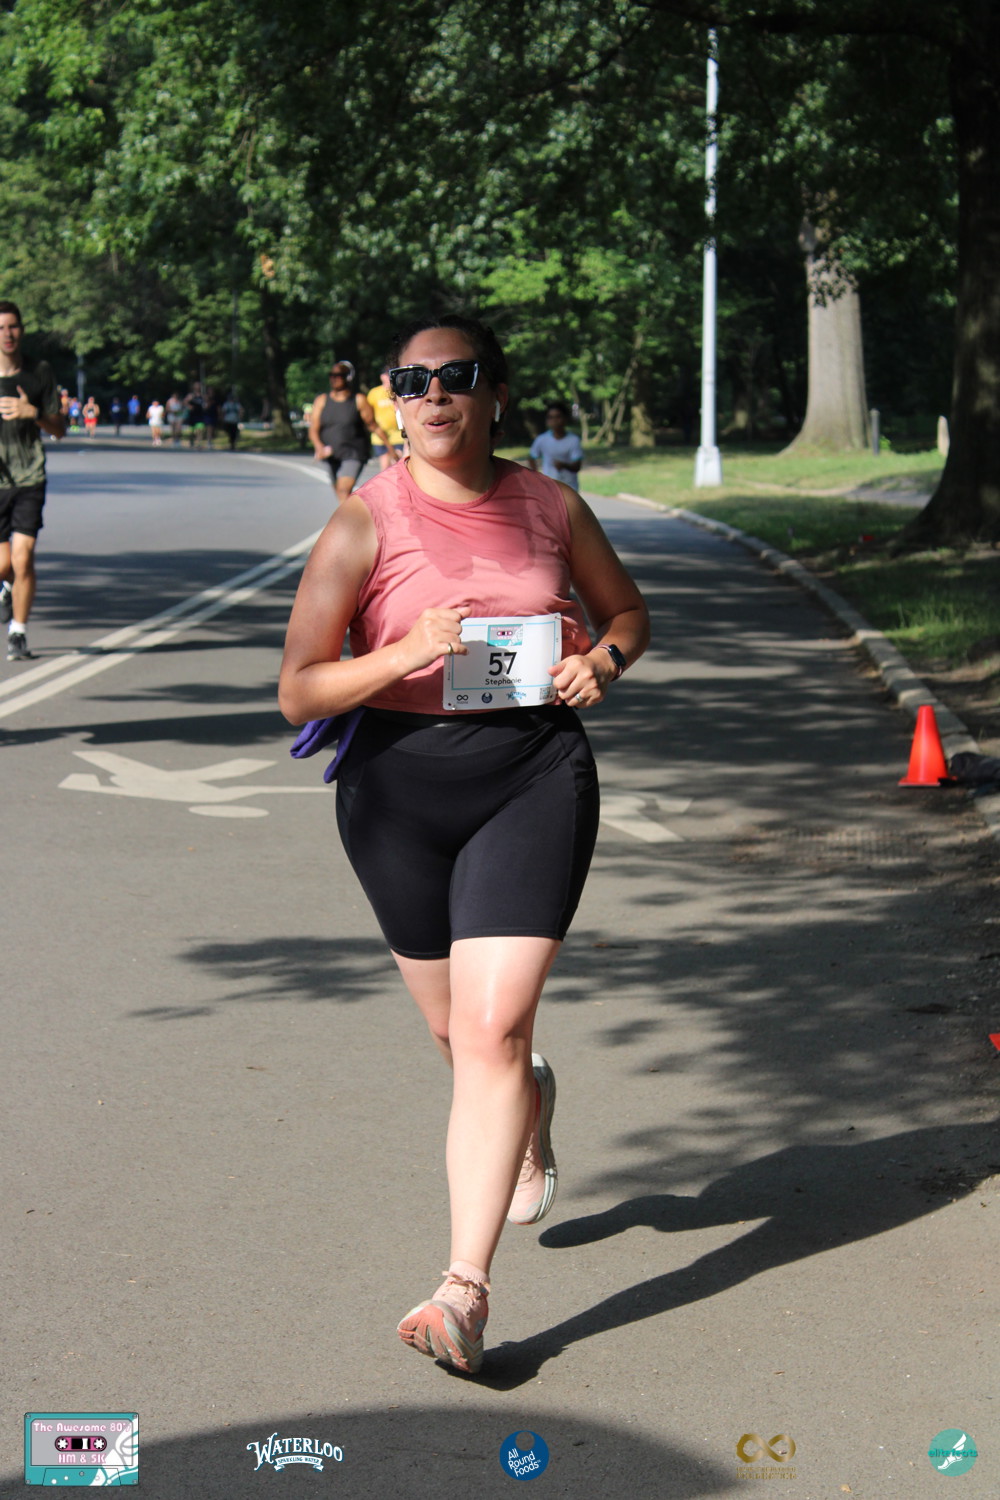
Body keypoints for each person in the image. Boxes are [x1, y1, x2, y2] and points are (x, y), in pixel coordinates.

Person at [279, 314, 649, 1375]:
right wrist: (402, 650)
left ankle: (462, 1291)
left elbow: (626, 614)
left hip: (532, 773)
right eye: (413, 381)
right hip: (396, 792)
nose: (433, 395)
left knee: (486, 1033)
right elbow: (300, 688)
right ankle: (528, 1100)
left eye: (456, 376)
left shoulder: (551, 505)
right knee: (461, 1038)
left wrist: (604, 663)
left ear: (495, 394)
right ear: (392, 400)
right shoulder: (363, 521)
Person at [0, 301, 65, 661]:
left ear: (21, 330)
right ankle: (6, 588)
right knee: (4, 565)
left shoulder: (39, 372)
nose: (7, 334)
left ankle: (18, 632)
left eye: (12, 326)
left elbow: (59, 429)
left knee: (23, 559)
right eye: (0, 328)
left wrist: (33, 412)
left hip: (29, 476)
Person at [308, 360, 383, 504]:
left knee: (343, 490)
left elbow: (372, 425)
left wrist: (389, 447)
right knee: (339, 491)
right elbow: (313, 428)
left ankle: (347, 518)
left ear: (348, 377)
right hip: (330, 454)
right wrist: (318, 446)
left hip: (354, 453)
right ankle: (353, 516)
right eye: (331, 375)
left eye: (338, 375)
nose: (334, 379)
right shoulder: (322, 400)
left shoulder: (358, 400)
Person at [528, 400, 584, 490]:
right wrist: (537, 476)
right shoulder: (542, 439)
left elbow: (577, 466)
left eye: (558, 417)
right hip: (549, 487)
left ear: (565, 418)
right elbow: (532, 457)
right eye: (550, 417)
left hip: (569, 487)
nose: (554, 420)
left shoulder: (573, 440)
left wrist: (564, 465)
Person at [365, 367, 405, 470]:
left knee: (397, 463)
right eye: (386, 375)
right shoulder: (374, 393)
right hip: (380, 435)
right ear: (381, 376)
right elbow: (368, 414)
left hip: (397, 434)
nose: (388, 378)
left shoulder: (398, 391)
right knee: (385, 467)